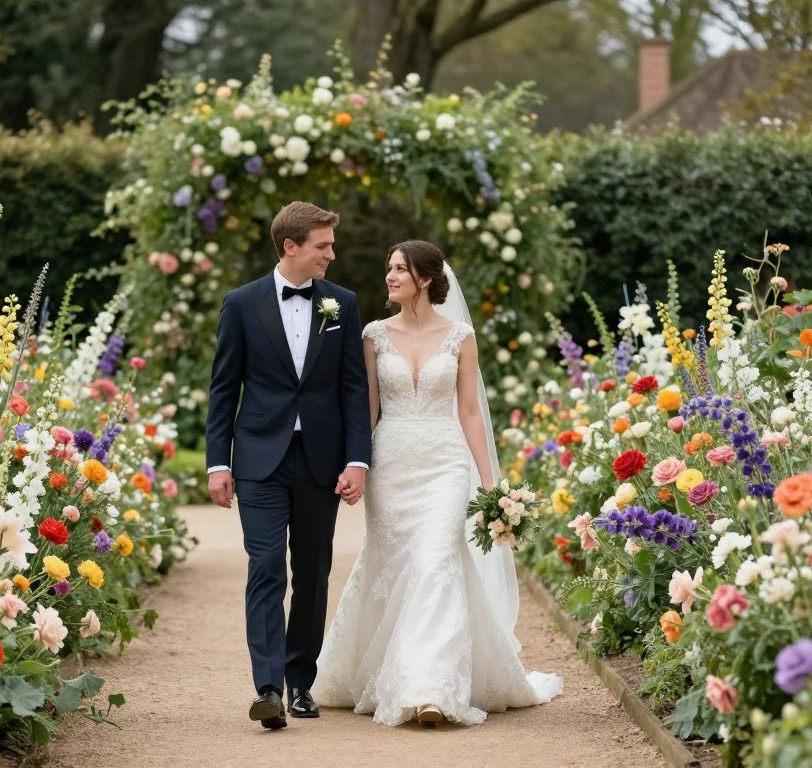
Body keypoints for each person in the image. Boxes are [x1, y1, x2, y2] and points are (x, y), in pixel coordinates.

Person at [311, 240, 562, 727]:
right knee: (393, 562)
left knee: (435, 561)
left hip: (446, 463)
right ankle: (387, 669)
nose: (389, 276)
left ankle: (428, 688)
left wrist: (492, 485)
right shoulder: (373, 335)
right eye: (388, 268)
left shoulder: (461, 337)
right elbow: (366, 411)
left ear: (425, 278)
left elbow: (469, 411)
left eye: (399, 269)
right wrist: (354, 462)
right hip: (391, 461)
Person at [206, 201, 373, 730]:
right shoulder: (241, 304)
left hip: (321, 462)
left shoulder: (342, 305)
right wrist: (217, 462)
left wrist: (357, 460)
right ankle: (268, 688)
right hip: (258, 460)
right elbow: (223, 388)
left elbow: (353, 388)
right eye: (323, 245)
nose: (332, 254)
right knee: (265, 568)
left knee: (314, 572)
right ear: (291, 246)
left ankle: (301, 681)